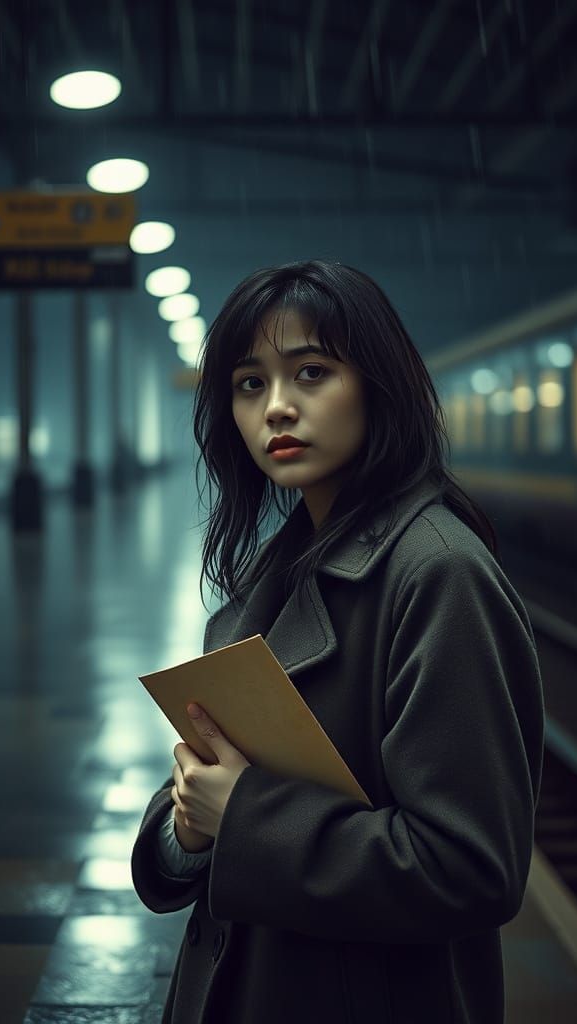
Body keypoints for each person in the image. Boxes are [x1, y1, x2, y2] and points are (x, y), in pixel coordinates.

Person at [131, 260, 544, 1023]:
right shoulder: (277, 570)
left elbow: (470, 867)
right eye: (250, 383)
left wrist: (244, 816)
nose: (277, 408)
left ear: (377, 385)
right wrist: (187, 826)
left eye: (311, 372)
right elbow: (214, 791)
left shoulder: (438, 574)